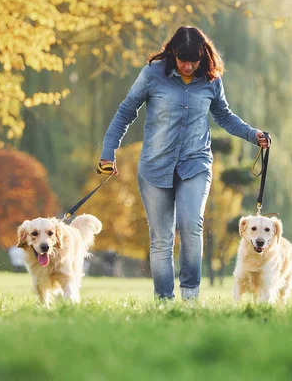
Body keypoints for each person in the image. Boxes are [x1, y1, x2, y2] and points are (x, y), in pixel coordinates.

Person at [99, 25, 271, 300]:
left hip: (195, 163)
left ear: (203, 57)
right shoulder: (153, 74)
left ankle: (190, 297)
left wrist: (253, 135)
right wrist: (109, 150)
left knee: (192, 225)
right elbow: (126, 111)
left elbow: (223, 116)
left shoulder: (211, 79)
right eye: (183, 60)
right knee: (162, 239)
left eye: (194, 61)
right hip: (156, 165)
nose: (188, 66)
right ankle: (164, 301)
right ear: (173, 53)